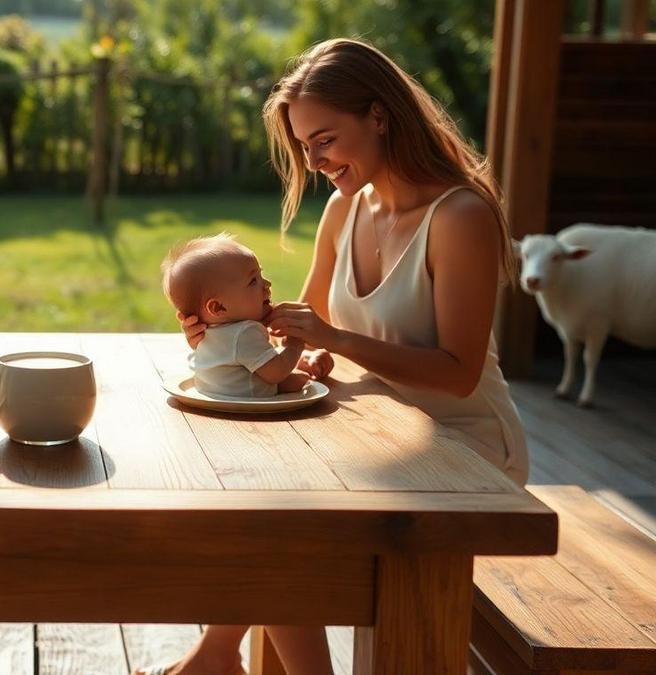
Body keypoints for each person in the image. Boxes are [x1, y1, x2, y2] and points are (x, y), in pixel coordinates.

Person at [135, 37, 528, 675]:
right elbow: (298, 325)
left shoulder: (459, 216)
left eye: (324, 140)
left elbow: (457, 376)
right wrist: (226, 328)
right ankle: (217, 658)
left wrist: (335, 341)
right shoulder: (346, 210)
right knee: (253, 497)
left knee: (281, 526)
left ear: (379, 116)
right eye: (303, 146)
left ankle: (213, 658)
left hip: (465, 446)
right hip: (374, 425)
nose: (314, 162)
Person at [161, 233, 312, 397]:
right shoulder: (244, 332)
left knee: (296, 379)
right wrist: (295, 344)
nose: (267, 284)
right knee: (302, 383)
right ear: (218, 307)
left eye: (260, 275)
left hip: (214, 393)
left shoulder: (207, 333)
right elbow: (276, 372)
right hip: (249, 401)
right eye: (253, 281)